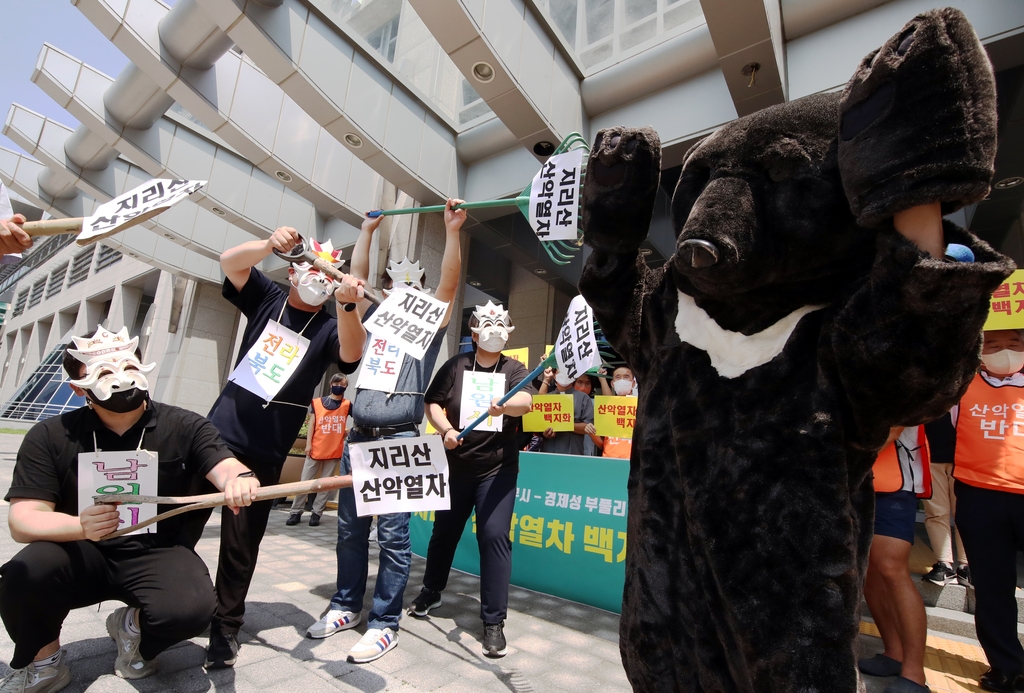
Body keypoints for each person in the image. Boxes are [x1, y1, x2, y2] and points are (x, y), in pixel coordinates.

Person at [0, 327, 259, 691]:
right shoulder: (49, 435)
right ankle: (45, 663)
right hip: (76, 550)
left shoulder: (185, 425)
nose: (120, 377)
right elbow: (23, 519)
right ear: (78, 388)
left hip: (158, 551)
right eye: (104, 372)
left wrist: (239, 477)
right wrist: (79, 526)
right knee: (24, 574)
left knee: (192, 609)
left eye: (127, 364)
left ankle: (132, 629)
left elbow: (224, 464)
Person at [306, 199, 465, 663]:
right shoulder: (374, 327)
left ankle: (384, 622)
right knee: (350, 531)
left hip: (398, 439)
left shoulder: (425, 331)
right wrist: (367, 232)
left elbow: (449, 286)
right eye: (394, 285)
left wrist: (452, 232)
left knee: (394, 537)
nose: (400, 293)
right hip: (359, 436)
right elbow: (355, 284)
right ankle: (344, 605)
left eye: (411, 287)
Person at [202, 228, 366, 669]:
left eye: (326, 274)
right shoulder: (267, 298)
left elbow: (352, 354)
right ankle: (168, 601)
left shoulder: (331, 326)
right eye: (309, 267)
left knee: (241, 545)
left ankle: (226, 626)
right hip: (217, 435)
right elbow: (230, 261)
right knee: (182, 523)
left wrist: (348, 305)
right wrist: (267, 244)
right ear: (293, 271)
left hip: (266, 451)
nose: (316, 277)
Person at [407, 301, 535, 658]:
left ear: (508, 332)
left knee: (494, 535)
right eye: (486, 326)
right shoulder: (456, 365)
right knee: (444, 530)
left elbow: (525, 401)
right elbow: (432, 403)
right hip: (457, 464)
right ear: (474, 332)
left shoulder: (515, 368)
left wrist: (504, 407)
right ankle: (432, 590)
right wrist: (445, 429)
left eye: (500, 326)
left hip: (498, 469)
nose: (493, 333)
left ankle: (493, 621)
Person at [952, 329, 1024, 693]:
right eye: (993, 345)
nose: (1005, 352)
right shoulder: (960, 387)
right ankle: (1006, 666)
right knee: (993, 589)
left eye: (1014, 343)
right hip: (980, 498)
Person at [859, 426, 931, 693]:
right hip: (854, 479)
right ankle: (894, 653)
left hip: (894, 481)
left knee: (891, 567)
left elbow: (895, 425)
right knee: (870, 572)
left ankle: (914, 673)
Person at [286, 373, 351, 527]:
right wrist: (308, 444)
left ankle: (316, 513)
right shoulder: (317, 403)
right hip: (315, 448)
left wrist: (347, 431)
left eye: (343, 384)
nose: (339, 386)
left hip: (334, 449)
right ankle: (295, 512)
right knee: (305, 481)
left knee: (326, 484)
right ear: (330, 383)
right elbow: (312, 425)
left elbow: (356, 421)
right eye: (337, 383)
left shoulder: (347, 404)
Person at [921, 412, 969, 586]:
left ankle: (966, 566)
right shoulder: (931, 388)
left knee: (965, 514)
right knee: (936, 512)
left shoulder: (975, 388)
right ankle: (944, 563)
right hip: (930, 454)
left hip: (966, 458)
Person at [536, 369, 594, 455]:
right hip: (549, 452)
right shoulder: (547, 397)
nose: (564, 374)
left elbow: (588, 426)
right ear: (555, 375)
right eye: (561, 371)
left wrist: (563, 423)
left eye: (568, 371)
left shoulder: (583, 398)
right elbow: (538, 425)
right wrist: (544, 433)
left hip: (574, 453)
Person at [591, 365, 636, 459]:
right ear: (612, 383)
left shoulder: (639, 407)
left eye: (626, 377)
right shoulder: (607, 410)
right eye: (618, 377)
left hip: (632, 460)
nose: (622, 380)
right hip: (609, 459)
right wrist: (602, 379)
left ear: (633, 383)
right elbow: (609, 402)